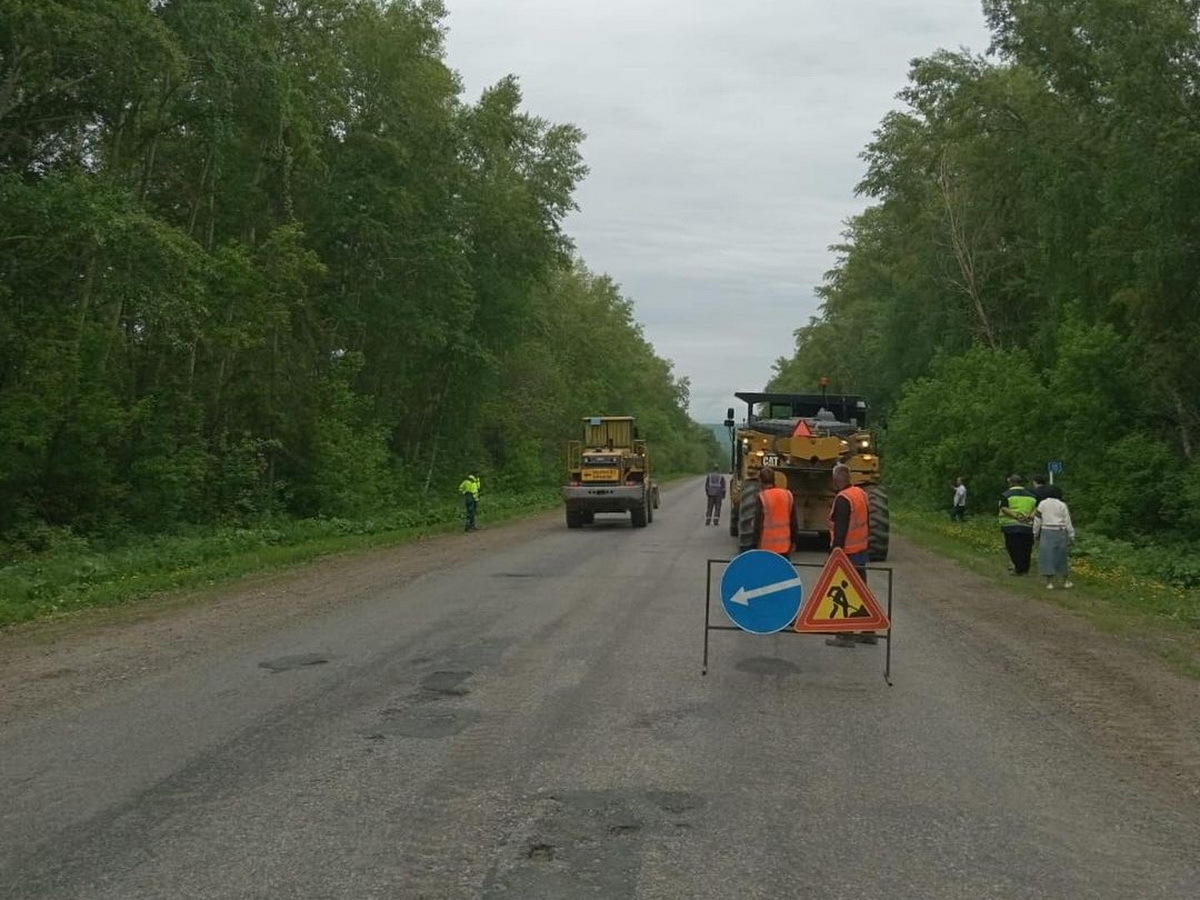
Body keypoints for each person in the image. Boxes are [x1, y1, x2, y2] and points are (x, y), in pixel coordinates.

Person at [825, 463, 876, 648]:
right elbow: (868, 522)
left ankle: (845, 634)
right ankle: (869, 632)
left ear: (836, 479)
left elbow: (840, 532)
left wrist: (834, 555)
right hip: (861, 551)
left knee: (844, 594)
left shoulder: (843, 499)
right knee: (862, 591)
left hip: (847, 554)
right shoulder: (861, 494)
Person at [750, 466, 800, 556]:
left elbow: (757, 524)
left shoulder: (763, 497)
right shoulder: (787, 495)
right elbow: (794, 523)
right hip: (785, 547)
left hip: (766, 547)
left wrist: (754, 545)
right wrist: (794, 542)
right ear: (774, 480)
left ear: (760, 481)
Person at [1033, 492, 1075, 590]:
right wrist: (1071, 535)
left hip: (1046, 530)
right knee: (1061, 556)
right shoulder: (1062, 505)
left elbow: (1037, 519)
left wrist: (1035, 532)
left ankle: (1049, 583)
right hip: (1060, 530)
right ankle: (1065, 581)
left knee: (1047, 556)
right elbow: (1067, 520)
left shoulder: (1042, 504)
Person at [999, 474, 1037, 575]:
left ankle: (1018, 568)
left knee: (1014, 547)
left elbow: (1004, 508)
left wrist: (1016, 516)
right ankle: (1025, 568)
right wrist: (1030, 516)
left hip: (1010, 526)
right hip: (1027, 525)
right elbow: (1037, 509)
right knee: (1026, 548)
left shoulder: (1006, 494)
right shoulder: (1031, 495)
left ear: (1011, 483)